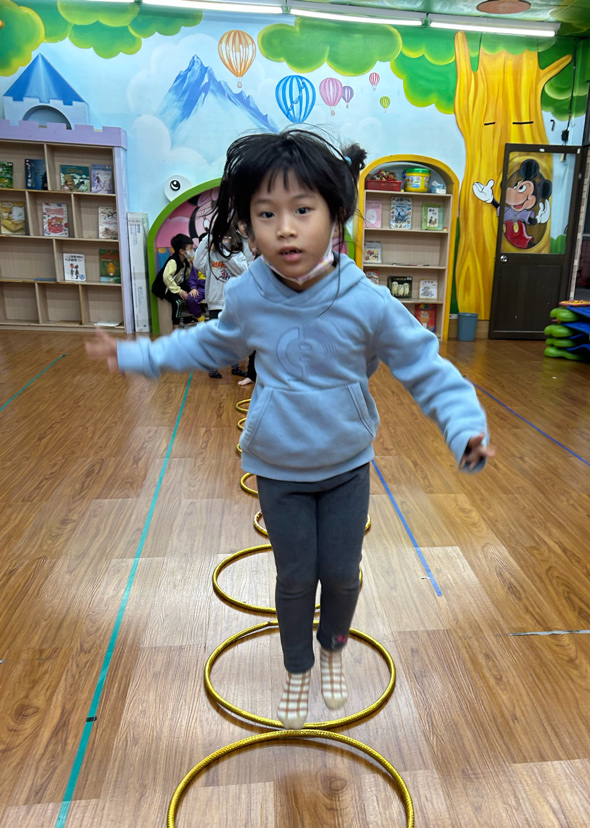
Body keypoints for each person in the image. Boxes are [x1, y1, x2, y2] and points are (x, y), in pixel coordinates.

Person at [87, 128, 492, 730]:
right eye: (266, 214)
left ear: (334, 215)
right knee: (296, 577)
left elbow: (425, 366)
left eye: (303, 210)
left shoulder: (367, 301)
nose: (285, 229)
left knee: (342, 576)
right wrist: (137, 355)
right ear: (248, 225)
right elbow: (209, 344)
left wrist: (463, 427)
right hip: (279, 469)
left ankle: (333, 648)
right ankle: (298, 666)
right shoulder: (249, 295)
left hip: (346, 467)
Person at [193, 226, 249, 377]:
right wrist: (210, 237)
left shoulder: (238, 255)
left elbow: (243, 271)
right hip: (215, 302)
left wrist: (223, 253)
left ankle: (235, 366)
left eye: (226, 238)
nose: (224, 241)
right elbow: (197, 262)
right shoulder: (210, 256)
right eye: (221, 238)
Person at [159, 234, 199, 326]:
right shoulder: (173, 261)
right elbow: (166, 278)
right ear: (181, 251)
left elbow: (187, 277)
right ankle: (175, 327)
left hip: (176, 286)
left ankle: (189, 319)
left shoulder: (186, 262)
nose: (192, 251)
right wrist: (179, 291)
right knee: (177, 302)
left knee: (191, 295)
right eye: (190, 248)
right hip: (165, 287)